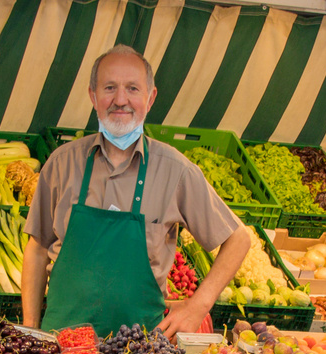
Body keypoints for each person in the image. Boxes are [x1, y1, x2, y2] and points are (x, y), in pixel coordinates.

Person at [21, 45, 252, 338]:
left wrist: (199, 306)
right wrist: (30, 327)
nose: (120, 100)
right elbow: (38, 247)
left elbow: (238, 239)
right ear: (93, 96)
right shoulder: (62, 163)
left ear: (150, 97)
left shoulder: (176, 172)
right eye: (109, 88)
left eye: (132, 88)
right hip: (61, 347)